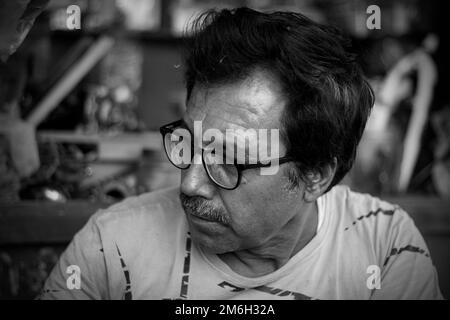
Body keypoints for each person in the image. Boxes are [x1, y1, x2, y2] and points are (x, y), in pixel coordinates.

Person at [39, 8, 442, 300]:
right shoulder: (112, 248)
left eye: (228, 159)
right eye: (188, 143)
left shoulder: (382, 246)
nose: (190, 182)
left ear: (315, 174)